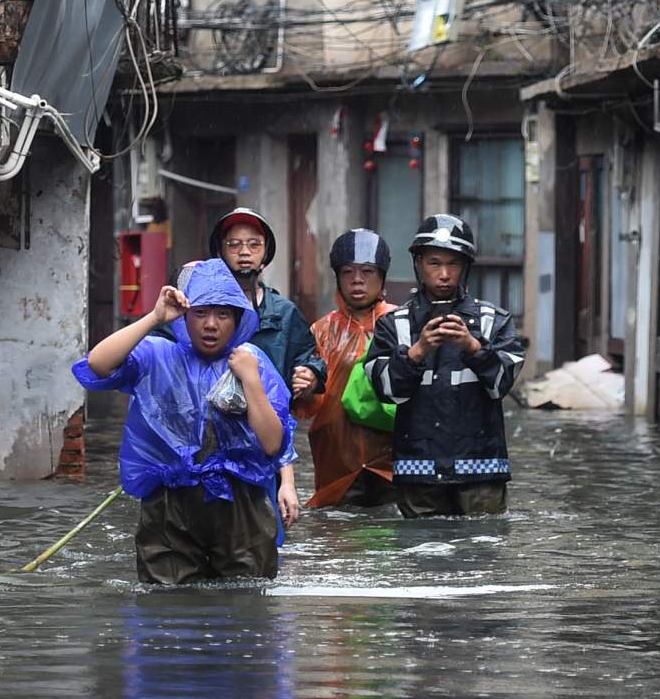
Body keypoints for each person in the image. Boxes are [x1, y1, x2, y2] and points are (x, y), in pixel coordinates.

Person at [72, 258, 293, 585]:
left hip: (240, 502)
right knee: (166, 604)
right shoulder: (158, 355)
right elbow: (98, 364)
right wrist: (154, 317)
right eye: (201, 313)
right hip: (170, 502)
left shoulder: (251, 362)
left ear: (237, 319)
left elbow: (273, 443)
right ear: (186, 316)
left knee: (246, 600)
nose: (211, 325)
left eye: (222, 314)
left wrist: (251, 381)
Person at [364, 214, 525, 518]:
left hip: (481, 472)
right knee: (421, 556)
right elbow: (385, 392)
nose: (444, 274)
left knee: (482, 556)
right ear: (419, 265)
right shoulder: (392, 324)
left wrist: (473, 346)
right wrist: (417, 351)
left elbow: (502, 385)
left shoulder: (495, 321)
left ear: (465, 268)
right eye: (434, 263)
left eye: (453, 264)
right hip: (418, 471)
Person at [208, 208, 325, 531]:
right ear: (220, 251)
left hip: (266, 447)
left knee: (262, 543)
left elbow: (310, 358)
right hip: (209, 450)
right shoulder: (199, 310)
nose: (244, 252)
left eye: (253, 244)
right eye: (234, 244)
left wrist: (310, 376)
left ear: (266, 253)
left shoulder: (283, 313)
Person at [292, 228, 399, 508]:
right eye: (348, 272)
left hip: (395, 464)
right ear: (338, 278)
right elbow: (306, 407)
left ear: (382, 277)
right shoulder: (322, 331)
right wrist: (305, 384)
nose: (357, 281)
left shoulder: (401, 324)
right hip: (337, 464)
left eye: (367, 271)